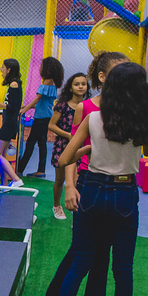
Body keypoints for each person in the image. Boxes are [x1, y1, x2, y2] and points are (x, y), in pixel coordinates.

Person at [49, 61, 148, 296]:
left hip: (94, 188)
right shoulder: (143, 119)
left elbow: (64, 159)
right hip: (125, 192)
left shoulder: (94, 117)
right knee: (123, 268)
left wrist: (87, 149)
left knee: (81, 259)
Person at [43, 51, 128, 296]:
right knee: (81, 249)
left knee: (103, 250)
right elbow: (73, 151)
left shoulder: (128, 108)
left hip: (116, 187)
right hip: (86, 182)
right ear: (102, 77)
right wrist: (70, 185)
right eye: (118, 71)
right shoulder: (86, 108)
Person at [47, 72, 89, 219]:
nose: (80, 87)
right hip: (63, 146)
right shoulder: (62, 106)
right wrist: (68, 135)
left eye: (83, 84)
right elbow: (51, 125)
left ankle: (76, 212)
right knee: (60, 179)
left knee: (78, 180)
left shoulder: (87, 106)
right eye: (77, 84)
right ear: (70, 88)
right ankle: (57, 206)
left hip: (81, 147)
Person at [17, 57, 64, 177]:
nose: (40, 69)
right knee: (42, 143)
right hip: (46, 116)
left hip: (41, 118)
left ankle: (19, 169)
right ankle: (41, 170)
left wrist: (25, 110)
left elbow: (38, 98)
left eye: (42, 66)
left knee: (30, 142)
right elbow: (43, 103)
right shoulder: (53, 83)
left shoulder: (47, 82)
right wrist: (26, 106)